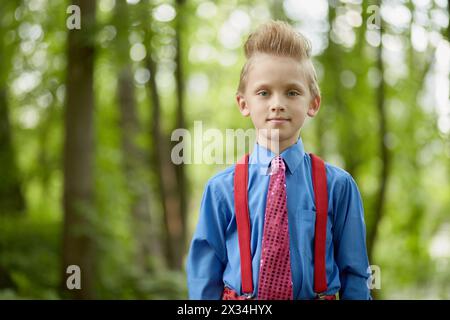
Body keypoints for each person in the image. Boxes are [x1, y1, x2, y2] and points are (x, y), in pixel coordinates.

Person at [186, 20, 371, 300]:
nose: (277, 103)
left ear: (313, 103)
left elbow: (355, 274)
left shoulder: (339, 186)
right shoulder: (220, 189)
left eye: (292, 92)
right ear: (244, 103)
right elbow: (204, 277)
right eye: (263, 93)